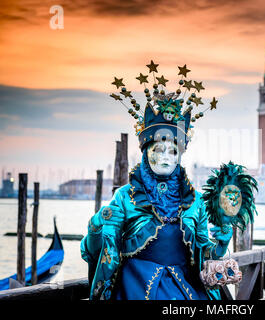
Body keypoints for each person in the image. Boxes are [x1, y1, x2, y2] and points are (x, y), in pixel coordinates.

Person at [80, 64, 233, 300]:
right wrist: (97, 224)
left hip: (186, 290)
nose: (165, 157)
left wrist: (221, 241)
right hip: (135, 289)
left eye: (172, 151)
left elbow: (206, 254)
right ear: (145, 151)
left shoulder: (196, 202)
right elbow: (93, 249)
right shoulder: (125, 197)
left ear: (180, 155)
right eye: (158, 149)